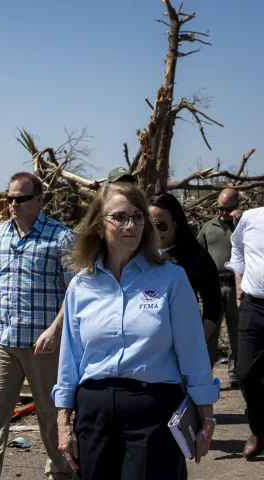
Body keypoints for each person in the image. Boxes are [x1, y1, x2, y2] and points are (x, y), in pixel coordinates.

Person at [53, 182, 219, 480]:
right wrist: (64, 422)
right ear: (98, 225)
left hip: (154, 411)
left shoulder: (171, 278)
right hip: (94, 413)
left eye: (138, 217)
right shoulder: (81, 285)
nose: (130, 225)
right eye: (119, 217)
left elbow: (193, 352)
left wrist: (206, 416)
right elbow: (70, 359)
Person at [0, 172, 74, 480]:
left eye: (21, 198)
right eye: (10, 198)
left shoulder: (62, 238)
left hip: (46, 347)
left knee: (52, 416)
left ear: (39, 200)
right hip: (2, 345)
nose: (13, 204)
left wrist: (55, 329)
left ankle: (62, 472)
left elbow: (77, 292)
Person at [148, 193, 222, 358]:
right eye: (149, 225)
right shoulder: (136, 256)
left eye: (161, 225)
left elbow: (213, 306)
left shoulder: (196, 257)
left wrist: (196, 344)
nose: (154, 232)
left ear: (175, 223)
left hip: (181, 341)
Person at [224, 206, 264, 459]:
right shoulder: (251, 218)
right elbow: (237, 246)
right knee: (246, 373)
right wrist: (239, 283)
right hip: (253, 305)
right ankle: (259, 430)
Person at [198, 188, 243, 388]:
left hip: (237, 287)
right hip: (214, 286)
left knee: (238, 332)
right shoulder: (208, 227)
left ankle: (236, 374)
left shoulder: (243, 226)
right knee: (209, 332)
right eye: (220, 208)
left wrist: (239, 225)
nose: (223, 213)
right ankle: (205, 374)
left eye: (228, 209)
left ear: (237, 207)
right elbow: (197, 255)